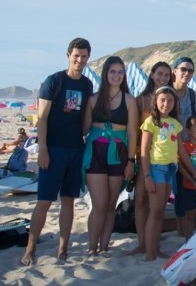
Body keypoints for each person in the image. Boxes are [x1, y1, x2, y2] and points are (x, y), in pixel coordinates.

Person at [21, 38, 93, 266]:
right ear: (68, 55)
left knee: (69, 201)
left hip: (75, 148)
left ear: (88, 58)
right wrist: (43, 149)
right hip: (53, 148)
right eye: (76, 55)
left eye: (83, 56)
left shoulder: (87, 85)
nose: (80, 60)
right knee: (44, 201)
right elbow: (41, 119)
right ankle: (30, 249)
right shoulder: (54, 81)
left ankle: (63, 249)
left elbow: (85, 118)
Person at [81, 56, 139, 257]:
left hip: (119, 153)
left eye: (120, 72)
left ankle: (104, 246)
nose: (116, 75)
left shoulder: (130, 101)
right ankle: (92, 247)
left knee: (111, 204)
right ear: (105, 73)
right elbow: (84, 129)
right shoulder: (93, 99)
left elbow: (132, 133)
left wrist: (131, 161)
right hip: (96, 151)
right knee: (99, 203)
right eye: (112, 71)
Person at [128, 61, 172, 256]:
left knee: (159, 204)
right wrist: (134, 157)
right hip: (142, 156)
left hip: (163, 160)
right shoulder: (141, 100)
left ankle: (154, 245)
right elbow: (134, 130)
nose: (163, 77)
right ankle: (142, 243)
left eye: (167, 75)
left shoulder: (169, 99)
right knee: (140, 200)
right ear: (152, 75)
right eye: (160, 74)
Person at [140, 86, 186, 261]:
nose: (166, 104)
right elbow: (144, 151)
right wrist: (147, 176)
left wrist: (194, 174)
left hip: (171, 169)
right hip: (156, 168)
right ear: (156, 102)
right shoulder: (151, 122)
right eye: (162, 100)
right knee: (155, 211)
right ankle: (149, 252)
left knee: (160, 212)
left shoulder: (176, 124)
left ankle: (156, 248)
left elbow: (181, 150)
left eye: (170, 101)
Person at [170, 57, 196, 237]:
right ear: (174, 71)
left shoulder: (192, 96)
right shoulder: (166, 92)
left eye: (190, 70)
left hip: (187, 148)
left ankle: (182, 231)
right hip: (167, 149)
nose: (187, 73)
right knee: (170, 189)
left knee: (184, 189)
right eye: (183, 69)